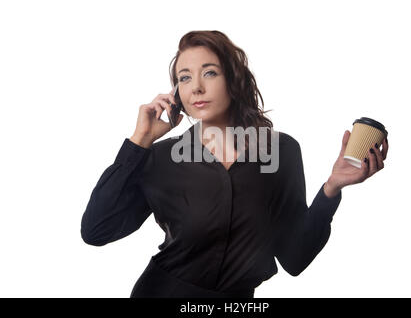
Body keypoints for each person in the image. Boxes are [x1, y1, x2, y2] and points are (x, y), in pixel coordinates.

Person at [80, 30, 389, 298]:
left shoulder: (280, 152)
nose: (196, 87)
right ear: (177, 93)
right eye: (184, 78)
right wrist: (139, 141)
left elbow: (295, 258)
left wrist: (331, 189)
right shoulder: (160, 158)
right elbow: (96, 230)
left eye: (210, 72)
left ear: (234, 79)